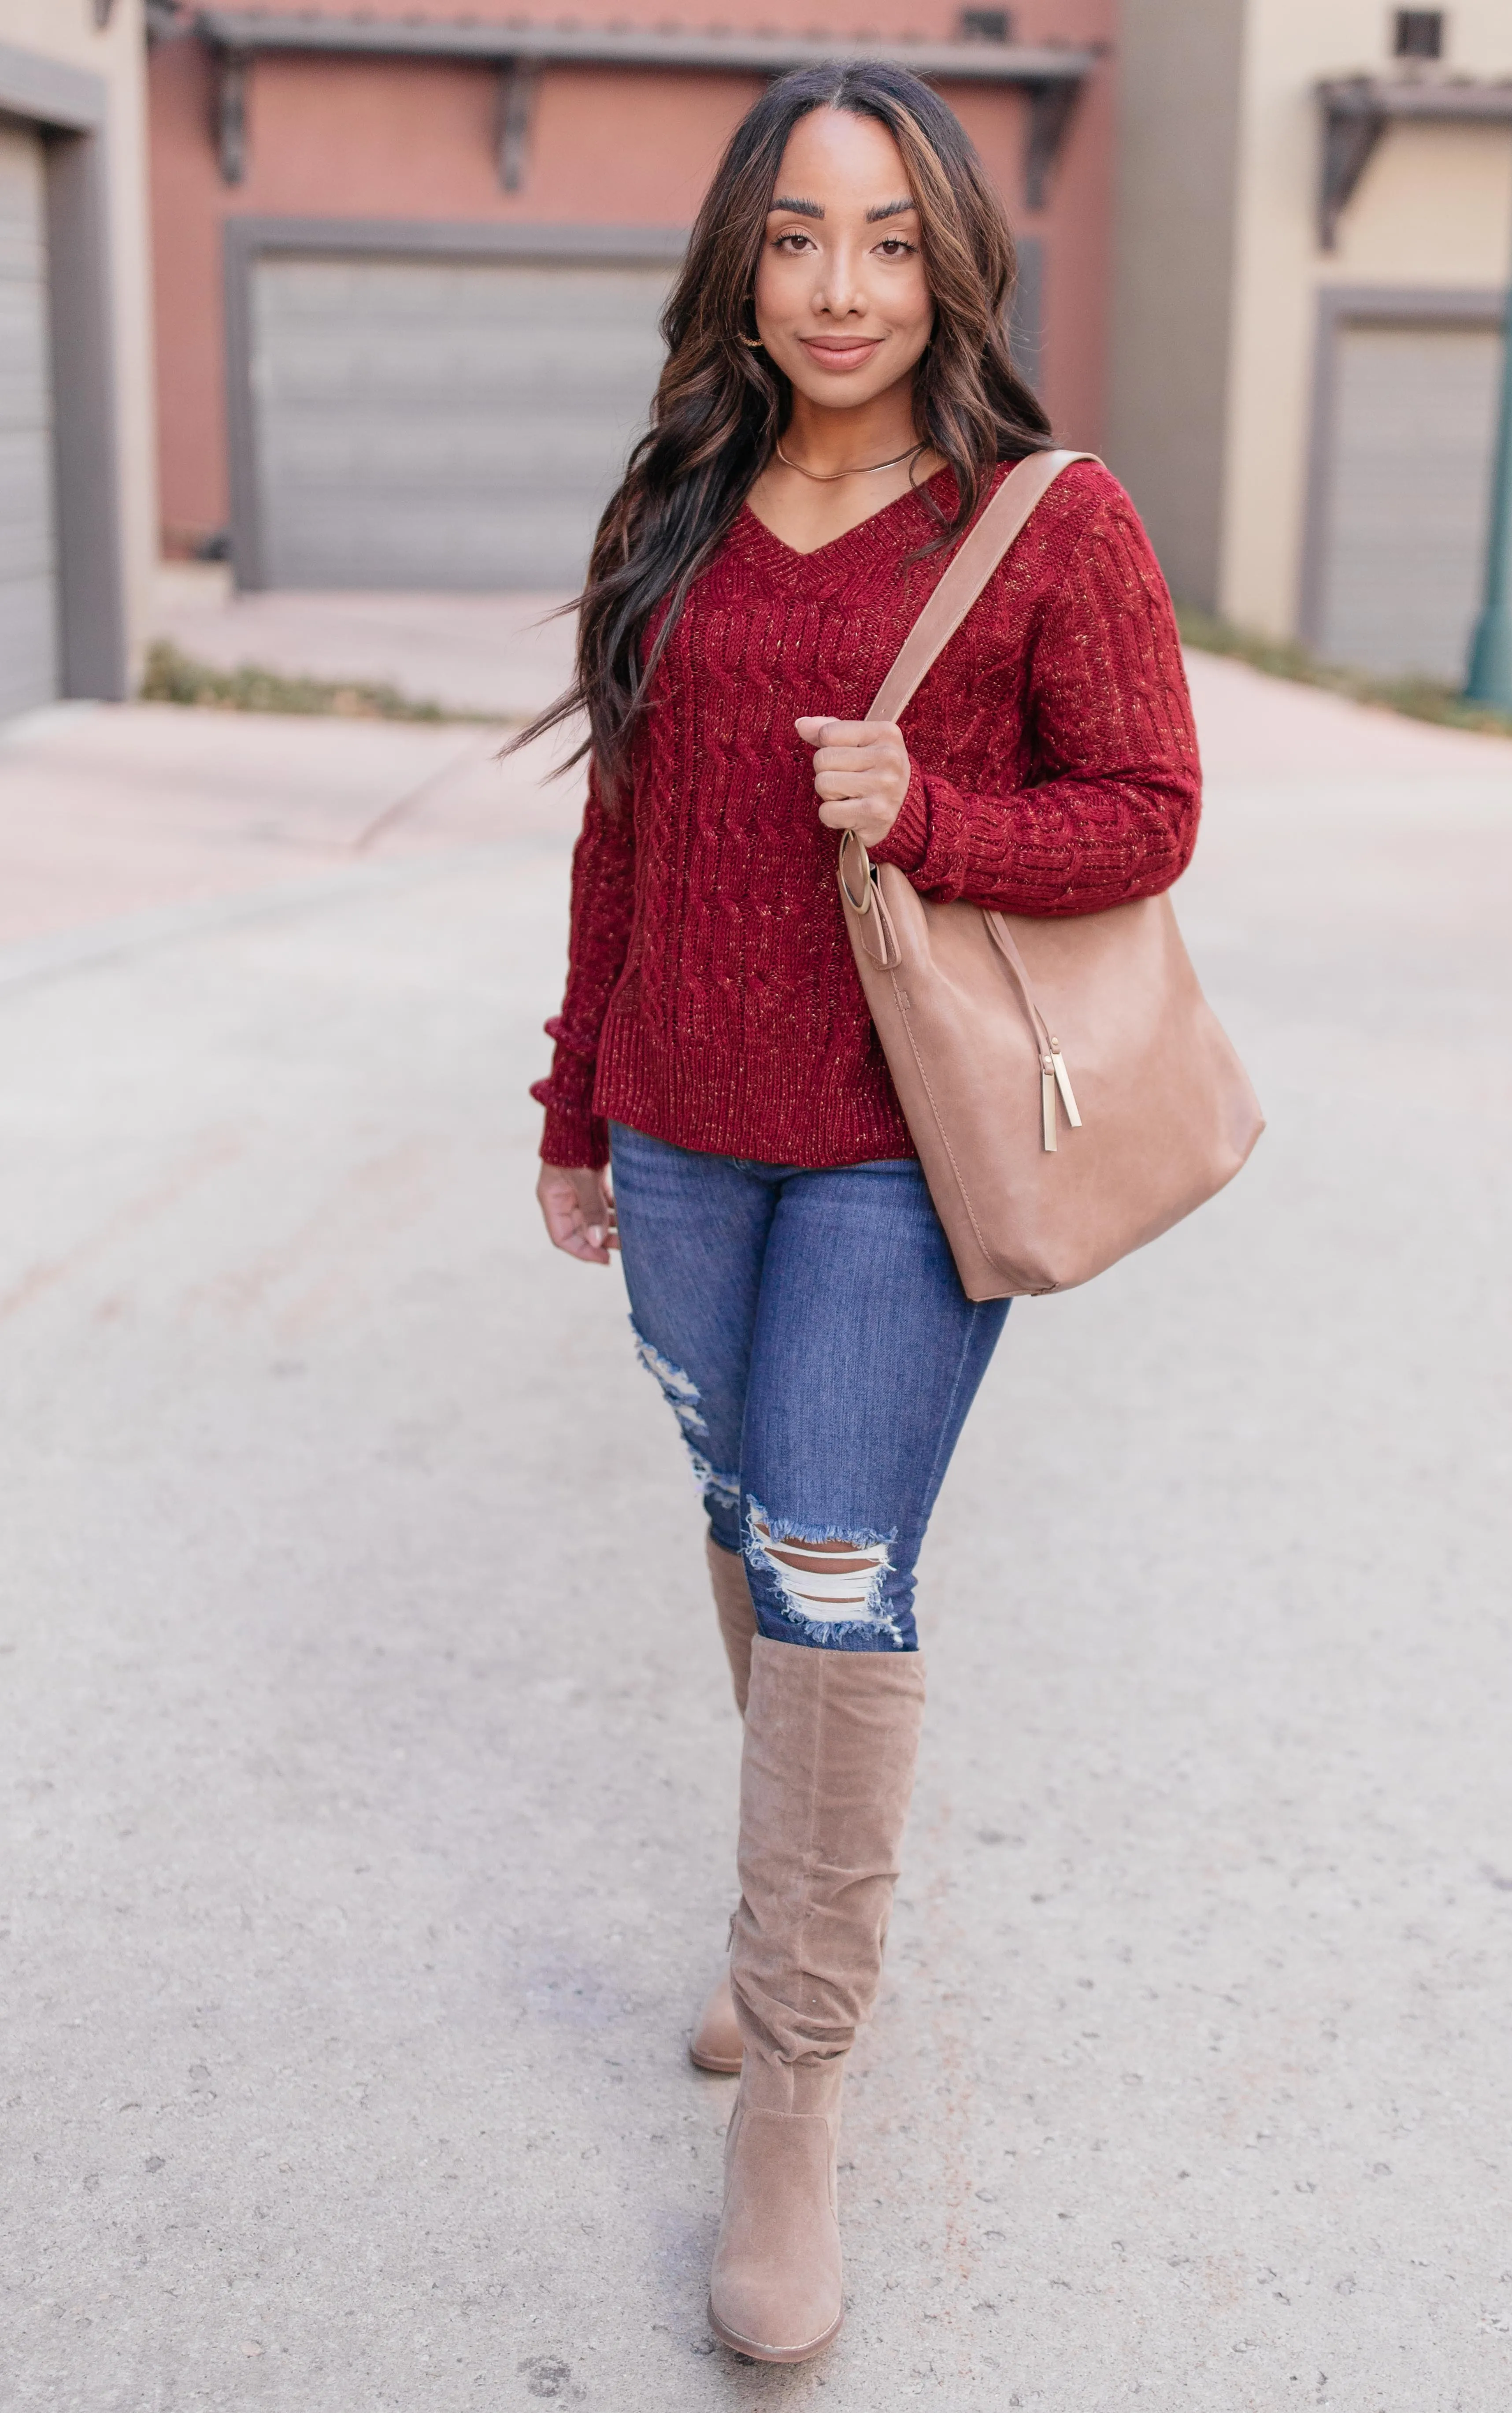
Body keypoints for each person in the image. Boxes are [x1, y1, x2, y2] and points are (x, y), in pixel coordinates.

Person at [523, 61, 1201, 2365]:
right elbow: (619, 836)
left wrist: (931, 816)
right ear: (742, 255)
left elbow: (1145, 813)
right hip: (688, 1134)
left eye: (891, 239)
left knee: (832, 1556)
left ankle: (794, 2086)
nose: (843, 286)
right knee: (745, 1518)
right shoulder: (684, 497)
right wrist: (573, 1108)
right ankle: (776, 1918)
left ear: (954, 265)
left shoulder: (1038, 520)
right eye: (801, 236)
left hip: (903, 1161)